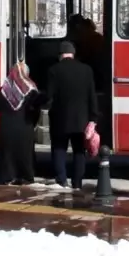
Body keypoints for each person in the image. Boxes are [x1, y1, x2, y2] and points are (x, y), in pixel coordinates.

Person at [47, 40, 99, 189]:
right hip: (81, 119)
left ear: (60, 55)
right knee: (79, 151)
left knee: (59, 149)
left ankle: (62, 180)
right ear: (73, 54)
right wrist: (93, 117)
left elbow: (49, 96)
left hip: (60, 119)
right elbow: (92, 96)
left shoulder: (54, 70)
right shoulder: (87, 70)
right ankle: (77, 182)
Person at [0, 61, 41, 185]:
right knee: (25, 154)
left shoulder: (4, 89)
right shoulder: (31, 88)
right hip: (25, 127)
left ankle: (8, 177)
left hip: (6, 127)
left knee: (8, 154)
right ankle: (26, 176)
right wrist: (33, 123)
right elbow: (36, 109)